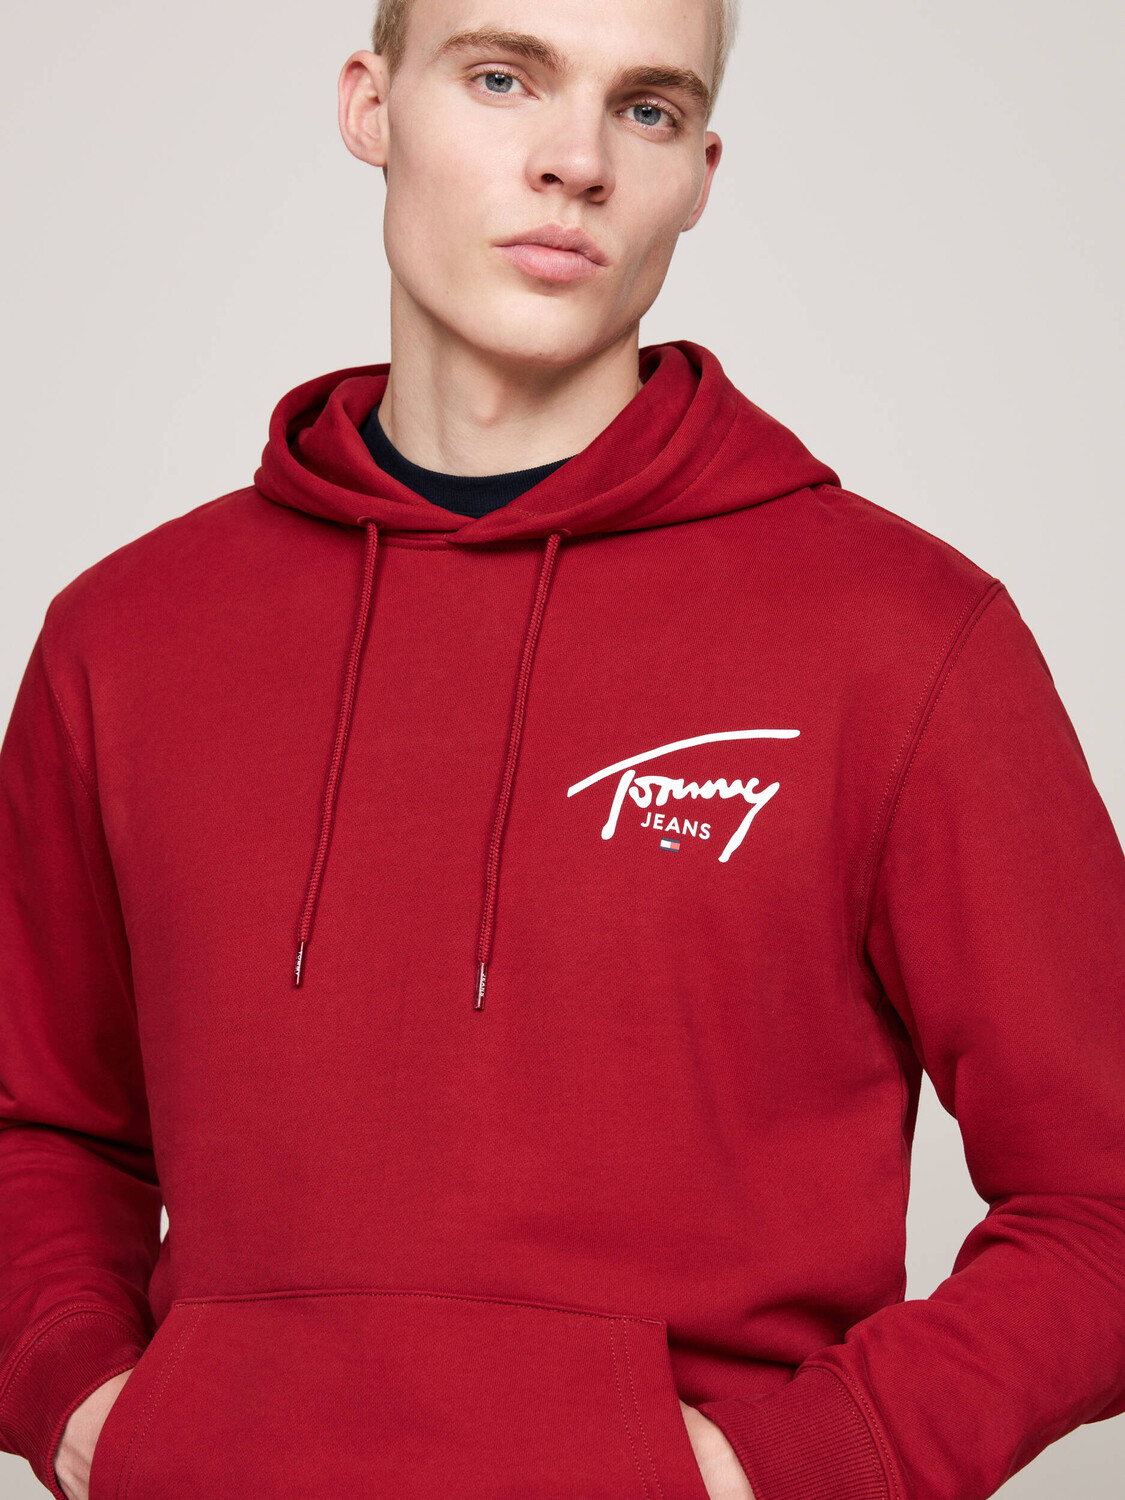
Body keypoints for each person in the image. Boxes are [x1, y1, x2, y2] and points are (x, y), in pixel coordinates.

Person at [1, 0, 1123, 1497]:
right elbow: (37, 1125)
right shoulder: (126, 636)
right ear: (371, 105)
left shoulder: (902, 639)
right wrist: (78, 1395)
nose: (576, 160)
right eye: (501, 77)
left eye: (646, 109)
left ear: (700, 173)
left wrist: (785, 1467)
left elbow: (1106, 1197)